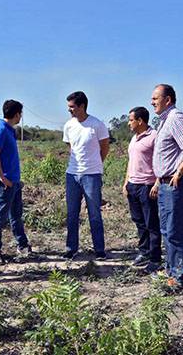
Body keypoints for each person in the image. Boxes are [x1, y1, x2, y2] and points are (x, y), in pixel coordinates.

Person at [151, 84, 183, 290]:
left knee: (174, 231)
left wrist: (179, 171)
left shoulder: (176, 118)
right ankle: (170, 271)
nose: (152, 101)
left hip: (176, 184)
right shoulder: (164, 122)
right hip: (165, 184)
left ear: (168, 100)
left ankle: (179, 279)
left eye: (155, 98)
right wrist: (159, 179)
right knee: (166, 230)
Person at [62, 91, 110, 260]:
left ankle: (99, 250)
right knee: (72, 213)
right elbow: (71, 148)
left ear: (82, 106)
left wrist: (95, 164)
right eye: (68, 107)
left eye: (72, 107)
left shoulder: (96, 125)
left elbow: (105, 147)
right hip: (72, 175)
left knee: (94, 213)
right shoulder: (68, 125)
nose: (69, 110)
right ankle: (71, 248)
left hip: (92, 175)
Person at [0, 99, 33, 265]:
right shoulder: (1, 130)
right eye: (20, 113)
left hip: (13, 182)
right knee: (0, 217)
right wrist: (2, 178)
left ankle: (22, 245)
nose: (21, 116)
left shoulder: (10, 130)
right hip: (5, 184)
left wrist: (15, 180)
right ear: (16, 114)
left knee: (16, 215)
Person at [122, 106, 162, 274]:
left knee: (151, 222)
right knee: (139, 221)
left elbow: (162, 161)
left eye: (131, 120)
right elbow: (131, 162)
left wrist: (157, 183)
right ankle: (144, 252)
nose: (129, 123)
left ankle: (155, 258)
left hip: (148, 186)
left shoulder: (154, 137)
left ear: (140, 121)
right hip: (133, 185)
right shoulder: (134, 138)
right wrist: (126, 183)